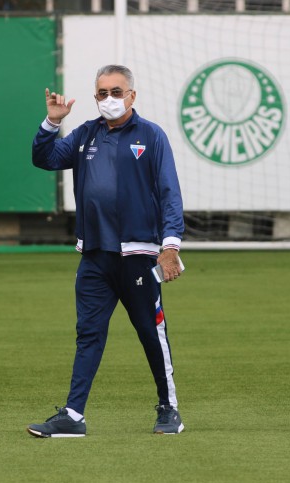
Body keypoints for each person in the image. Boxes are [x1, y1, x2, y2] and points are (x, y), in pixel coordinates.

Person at [27, 64, 186, 437]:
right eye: (102, 93)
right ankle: (73, 416)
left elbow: (169, 192)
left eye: (116, 91)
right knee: (89, 334)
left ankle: (169, 409)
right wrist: (51, 124)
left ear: (132, 94)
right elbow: (45, 159)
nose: (109, 99)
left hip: (139, 257)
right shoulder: (85, 134)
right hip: (95, 256)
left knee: (150, 332)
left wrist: (170, 245)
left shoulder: (151, 135)